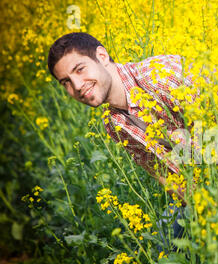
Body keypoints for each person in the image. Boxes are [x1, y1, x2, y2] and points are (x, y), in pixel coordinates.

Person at [47, 32, 191, 238]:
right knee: (167, 252)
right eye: (66, 82)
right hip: (203, 191)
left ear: (102, 57)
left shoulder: (159, 76)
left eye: (80, 69)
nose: (77, 86)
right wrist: (200, 206)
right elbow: (165, 174)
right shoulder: (113, 124)